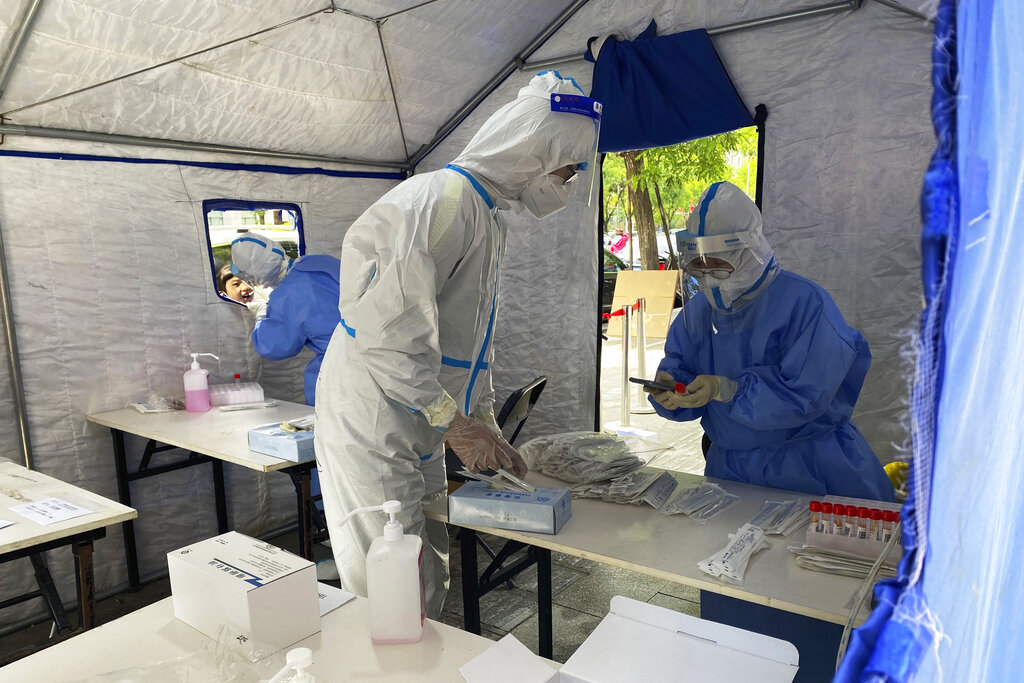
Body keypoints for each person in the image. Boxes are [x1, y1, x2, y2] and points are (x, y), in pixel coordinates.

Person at [314, 71, 601, 617]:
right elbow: (388, 340)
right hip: (375, 414)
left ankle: (420, 650)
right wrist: (458, 425)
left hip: (418, 414)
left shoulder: (486, 213)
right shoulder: (437, 203)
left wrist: (483, 418)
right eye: (568, 169)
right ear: (532, 150)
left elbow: (469, 343)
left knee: (426, 561)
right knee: (389, 579)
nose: (568, 184)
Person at [646, 181, 895, 502]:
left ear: (748, 253)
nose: (707, 275)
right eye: (698, 265)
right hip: (730, 469)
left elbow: (805, 396)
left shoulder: (805, 303)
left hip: (810, 466)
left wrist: (726, 389)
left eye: (718, 264)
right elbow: (682, 369)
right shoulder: (698, 313)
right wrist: (672, 390)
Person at [230, 235, 340, 406]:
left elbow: (274, 346)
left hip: (340, 370)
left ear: (255, 274)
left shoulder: (286, 296)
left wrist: (261, 315)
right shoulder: (320, 262)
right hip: (377, 351)